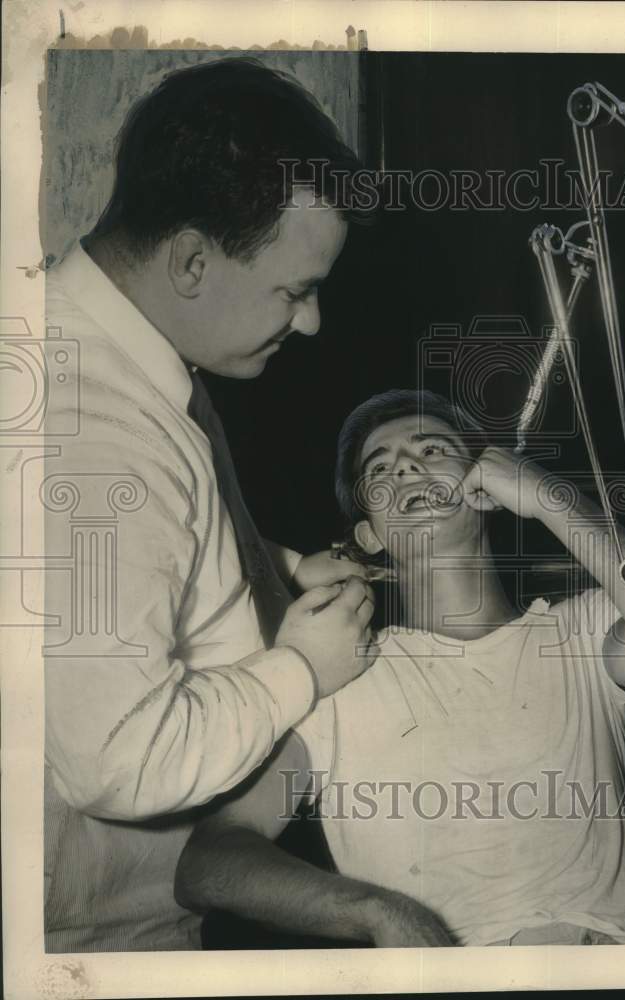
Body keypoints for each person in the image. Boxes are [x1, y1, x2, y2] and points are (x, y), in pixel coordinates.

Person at [174, 389, 625, 947]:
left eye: (431, 451)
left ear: (487, 489)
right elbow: (209, 861)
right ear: (369, 535)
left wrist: (551, 498)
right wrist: (378, 912)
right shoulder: (338, 677)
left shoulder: (581, 633)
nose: (403, 468)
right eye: (379, 470)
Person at [43, 57, 377, 952]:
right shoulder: (95, 429)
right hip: (97, 943)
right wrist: (303, 668)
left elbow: (144, 550)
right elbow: (121, 760)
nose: (308, 323)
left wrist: (278, 563)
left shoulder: (107, 352)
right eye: (294, 290)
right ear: (192, 258)